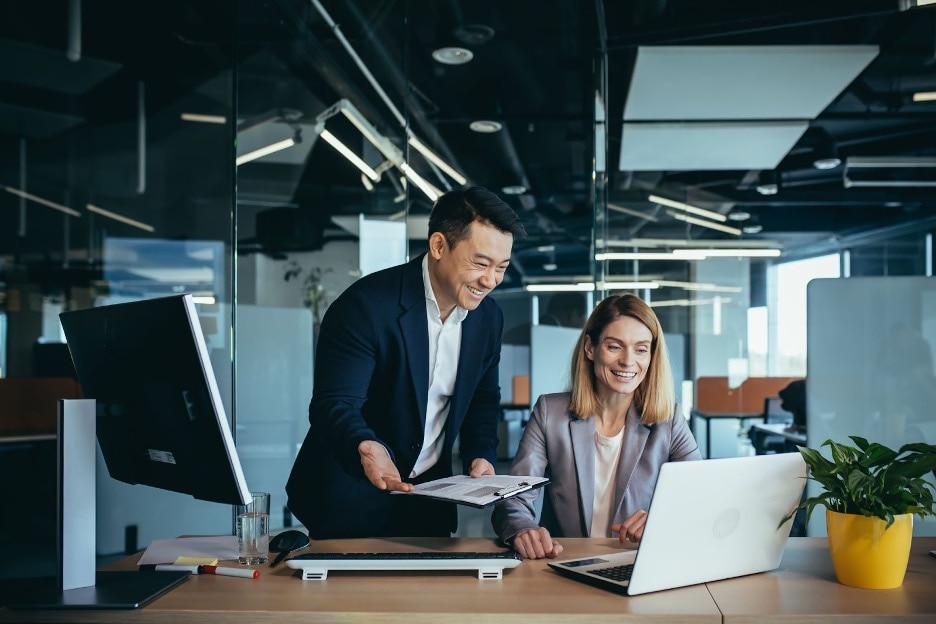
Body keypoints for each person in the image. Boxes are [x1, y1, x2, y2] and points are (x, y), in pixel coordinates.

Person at [286, 186, 526, 539]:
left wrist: (481, 453)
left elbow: (482, 398)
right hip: (349, 495)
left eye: (501, 268)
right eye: (480, 263)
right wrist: (366, 447)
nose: (490, 281)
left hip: (428, 501)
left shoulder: (488, 318)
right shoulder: (366, 307)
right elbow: (334, 404)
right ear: (439, 246)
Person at [492, 293, 701, 559]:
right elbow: (513, 499)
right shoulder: (550, 413)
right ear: (590, 348)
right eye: (614, 346)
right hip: (566, 563)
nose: (628, 361)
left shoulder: (668, 420)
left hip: (637, 562)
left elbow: (697, 498)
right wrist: (523, 530)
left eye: (640, 349)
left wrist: (662, 520)